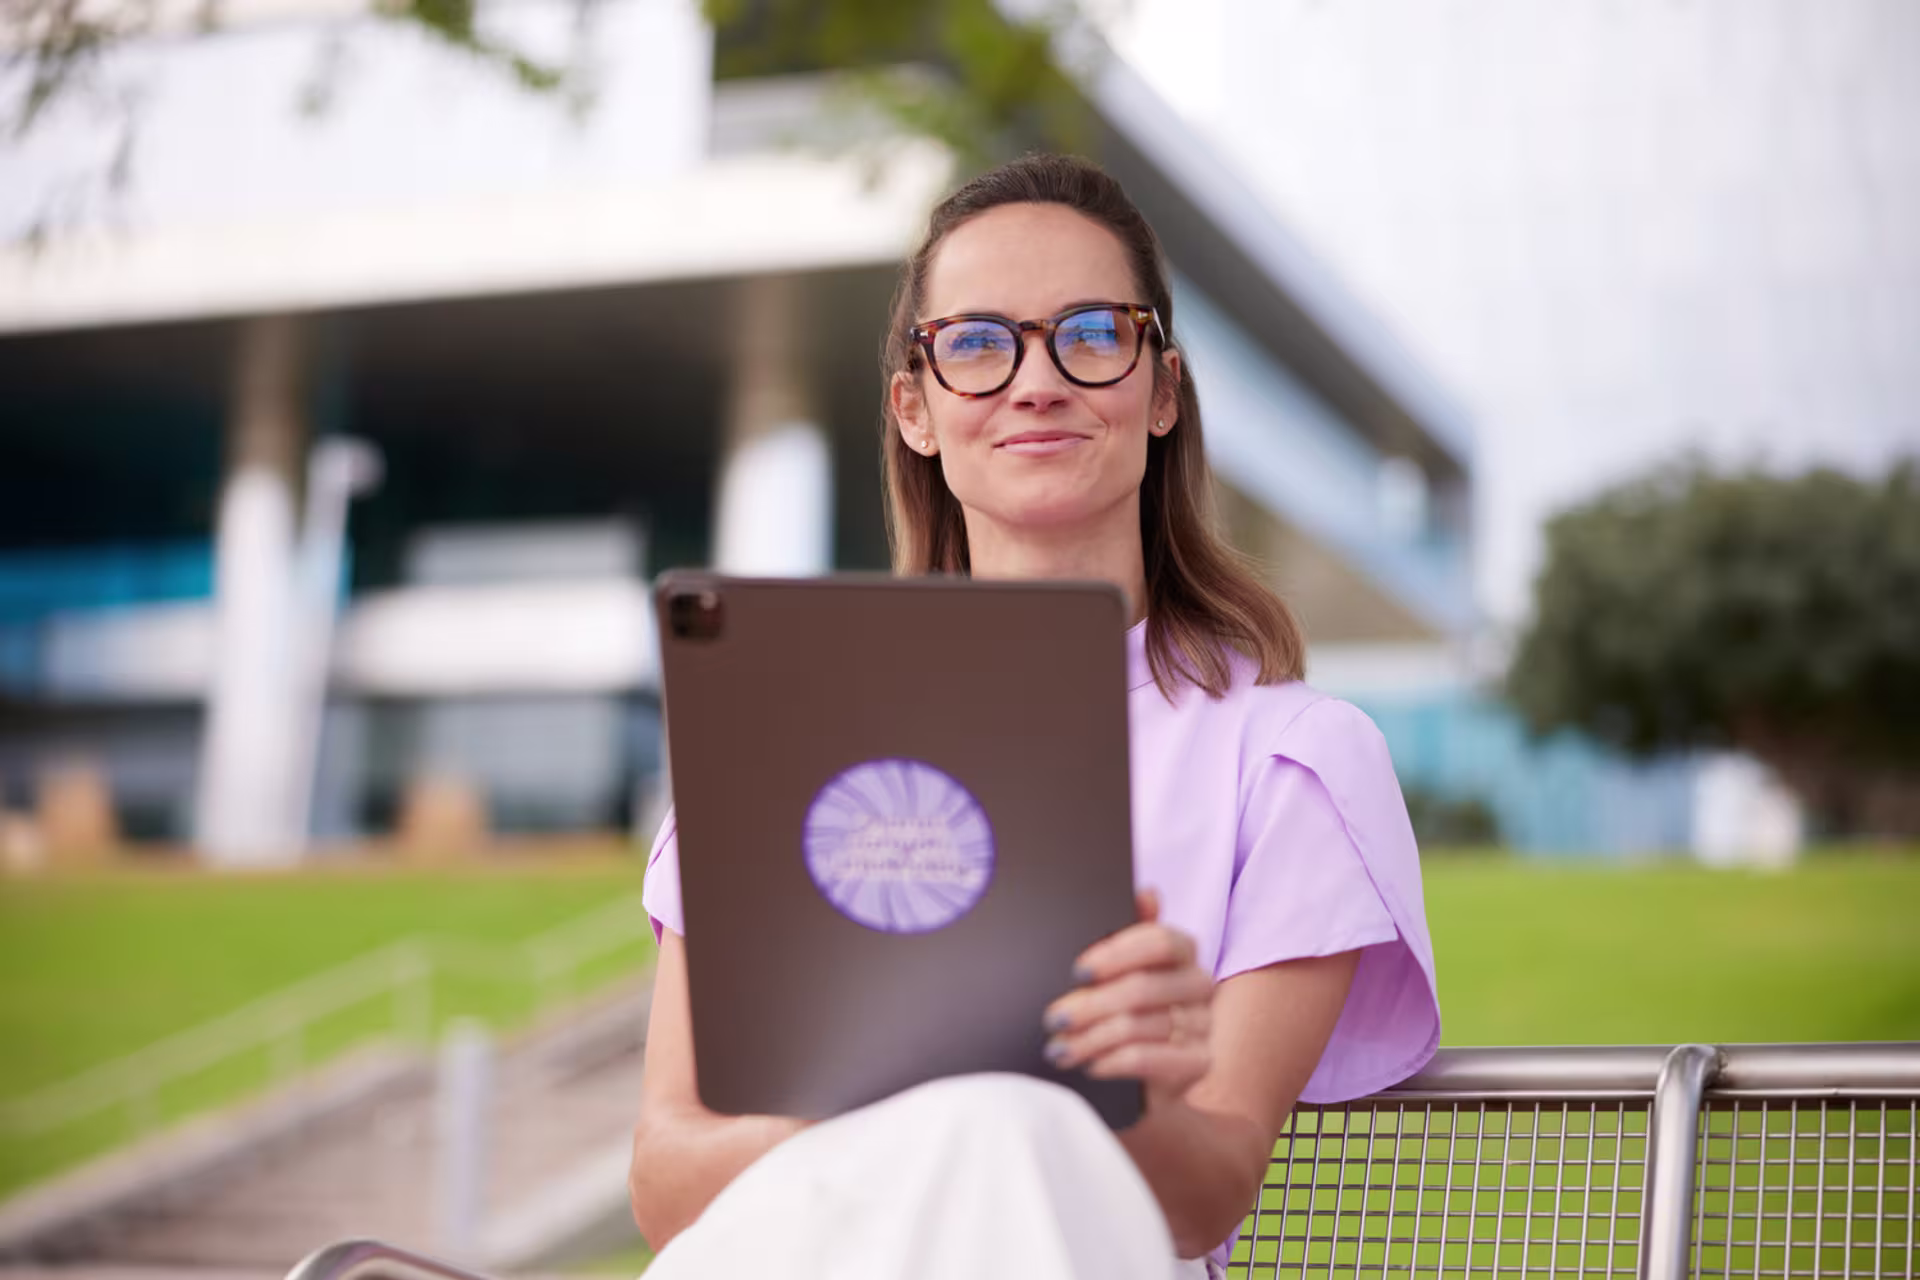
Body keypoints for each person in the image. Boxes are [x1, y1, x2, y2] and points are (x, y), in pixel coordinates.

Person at [628, 153, 1440, 1279]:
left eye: (1092, 333)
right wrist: (920, 1109)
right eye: (975, 342)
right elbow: (670, 1187)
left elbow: (1206, 1196)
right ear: (915, 409)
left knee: (1013, 1124)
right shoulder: (775, 735)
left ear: (1163, 389)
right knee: (985, 1117)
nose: (1036, 381)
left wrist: (1133, 1097)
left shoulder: (1292, 760)